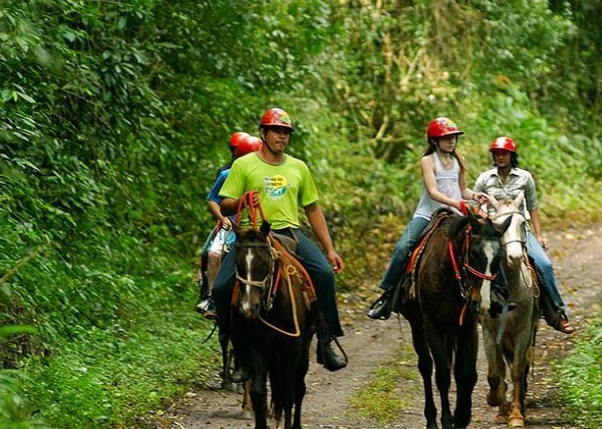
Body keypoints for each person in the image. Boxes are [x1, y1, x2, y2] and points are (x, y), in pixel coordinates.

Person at [212, 107, 347, 372]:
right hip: (251, 237)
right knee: (221, 288)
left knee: (323, 274)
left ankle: (326, 339)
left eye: (286, 133)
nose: (282, 137)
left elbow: (312, 210)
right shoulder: (243, 165)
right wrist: (241, 200)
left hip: (288, 232)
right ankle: (237, 350)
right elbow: (225, 203)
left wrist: (330, 249)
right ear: (263, 133)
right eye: (276, 131)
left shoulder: (298, 167)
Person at [367, 117, 489, 320]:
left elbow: (462, 189)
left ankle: (495, 291)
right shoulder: (428, 161)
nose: (451, 141)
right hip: (428, 214)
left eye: (453, 138)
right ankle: (387, 295)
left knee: (487, 241)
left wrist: (474, 196)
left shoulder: (459, 160)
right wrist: (457, 203)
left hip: (456, 214)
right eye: (446, 138)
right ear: (434, 141)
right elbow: (433, 191)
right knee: (403, 247)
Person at [473, 136, 574, 334]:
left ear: (512, 155)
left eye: (504, 153)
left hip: (519, 228)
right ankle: (475, 308)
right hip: (494, 231)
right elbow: (474, 206)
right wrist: (487, 218)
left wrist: (539, 235)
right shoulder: (485, 178)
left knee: (544, 264)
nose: (501, 157)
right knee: (476, 263)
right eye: (497, 153)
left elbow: (533, 207)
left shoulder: (525, 178)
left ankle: (556, 312)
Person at [196, 132, 262, 319]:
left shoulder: (264, 173)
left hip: (257, 225)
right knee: (213, 253)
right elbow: (213, 200)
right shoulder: (226, 174)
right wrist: (222, 218)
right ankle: (212, 297)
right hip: (231, 224)